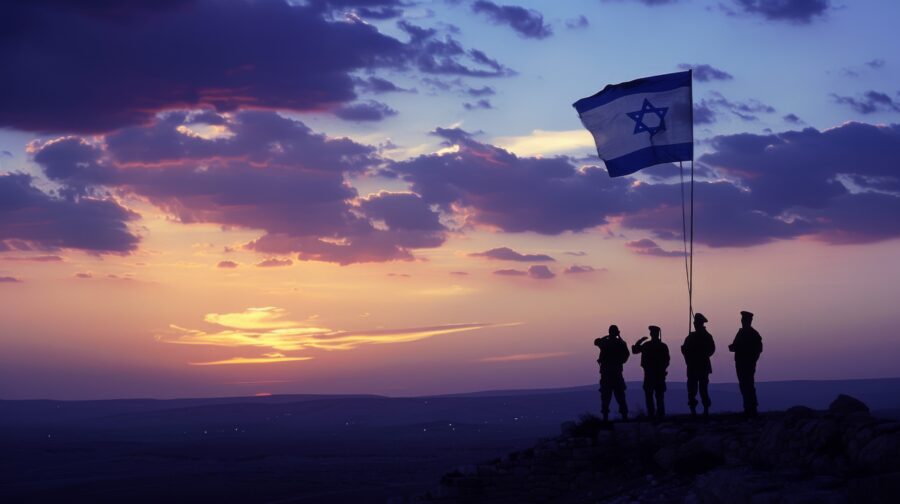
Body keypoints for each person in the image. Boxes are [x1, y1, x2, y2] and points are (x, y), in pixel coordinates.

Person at [729, 310, 763, 417]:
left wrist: (752, 359)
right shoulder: (741, 332)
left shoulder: (753, 334)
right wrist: (734, 347)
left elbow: (758, 349)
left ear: (749, 321)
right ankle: (748, 408)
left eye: (744, 319)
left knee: (748, 385)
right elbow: (736, 345)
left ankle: (752, 408)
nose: (742, 321)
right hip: (740, 362)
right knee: (744, 385)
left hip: (747, 363)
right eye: (742, 319)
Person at [632, 325, 670, 420]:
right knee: (658, 396)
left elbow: (635, 350)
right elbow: (667, 360)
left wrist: (640, 341)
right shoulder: (662, 346)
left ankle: (652, 414)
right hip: (656, 374)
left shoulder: (647, 345)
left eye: (652, 333)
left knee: (651, 395)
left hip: (652, 374)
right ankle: (658, 414)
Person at [681, 313, 715, 418]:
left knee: (703, 390)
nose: (695, 325)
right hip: (693, 366)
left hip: (702, 366)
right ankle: (693, 410)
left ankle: (705, 410)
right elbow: (685, 351)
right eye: (695, 323)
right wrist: (685, 350)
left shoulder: (706, 336)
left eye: (697, 323)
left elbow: (711, 350)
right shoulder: (691, 337)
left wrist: (700, 353)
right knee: (692, 390)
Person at [594, 325, 630, 422]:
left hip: (607, 374)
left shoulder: (605, 342)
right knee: (620, 396)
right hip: (616, 373)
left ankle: (605, 418)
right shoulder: (621, 343)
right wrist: (618, 336)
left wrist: (607, 336)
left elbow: (596, 341)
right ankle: (624, 416)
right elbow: (626, 356)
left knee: (606, 397)